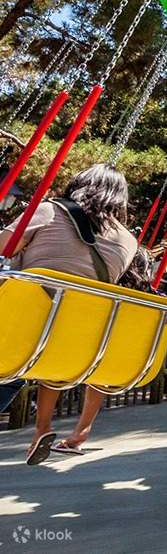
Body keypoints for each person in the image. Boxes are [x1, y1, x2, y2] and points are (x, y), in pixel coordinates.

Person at [0, 164, 137, 465]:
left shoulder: (50, 211)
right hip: (71, 344)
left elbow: (4, 245)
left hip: (17, 329)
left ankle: (43, 427)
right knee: (21, 367)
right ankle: (42, 428)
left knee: (11, 364)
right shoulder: (129, 242)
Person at [50, 247, 157, 457]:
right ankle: (82, 428)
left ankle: (47, 427)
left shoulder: (106, 291)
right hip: (119, 356)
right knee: (98, 376)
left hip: (93, 346)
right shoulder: (145, 300)